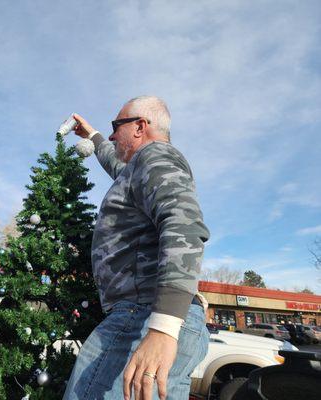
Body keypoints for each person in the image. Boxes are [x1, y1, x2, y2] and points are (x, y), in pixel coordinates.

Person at [63, 96, 210, 400]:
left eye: (116, 126)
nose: (113, 134)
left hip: (142, 317)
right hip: (150, 316)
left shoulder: (154, 157)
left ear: (141, 126)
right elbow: (117, 165)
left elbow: (184, 224)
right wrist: (93, 136)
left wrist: (162, 328)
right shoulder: (138, 169)